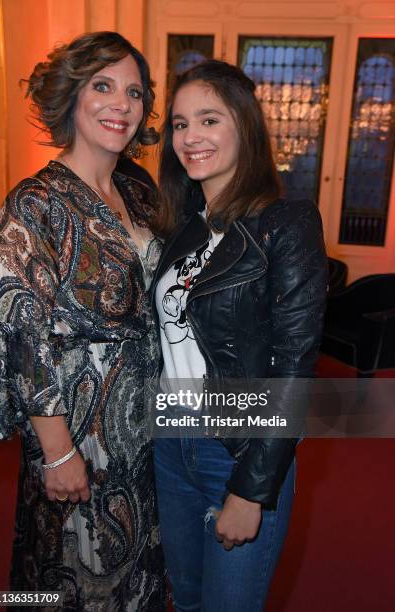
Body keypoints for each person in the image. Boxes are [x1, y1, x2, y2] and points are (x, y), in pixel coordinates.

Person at [0, 31, 166, 611]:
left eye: (134, 92)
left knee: (137, 572)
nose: (122, 104)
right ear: (72, 96)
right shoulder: (34, 204)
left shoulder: (137, 193)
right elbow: (22, 335)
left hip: (144, 427)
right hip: (78, 431)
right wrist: (58, 452)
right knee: (72, 578)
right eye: (103, 86)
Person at [151, 59, 328, 611]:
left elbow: (296, 369)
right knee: (187, 598)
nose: (190, 137)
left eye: (209, 119)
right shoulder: (185, 227)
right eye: (180, 124)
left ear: (244, 126)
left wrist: (253, 489)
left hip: (237, 447)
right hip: (170, 444)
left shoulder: (287, 223)